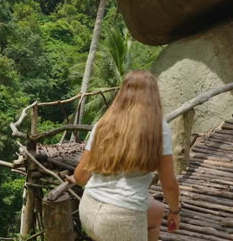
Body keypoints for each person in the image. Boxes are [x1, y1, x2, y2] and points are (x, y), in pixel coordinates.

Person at [68, 70, 181, 241]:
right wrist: (175, 211)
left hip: (89, 211)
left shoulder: (103, 124)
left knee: (156, 211)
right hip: (122, 220)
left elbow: (80, 177)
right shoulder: (158, 128)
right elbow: (169, 183)